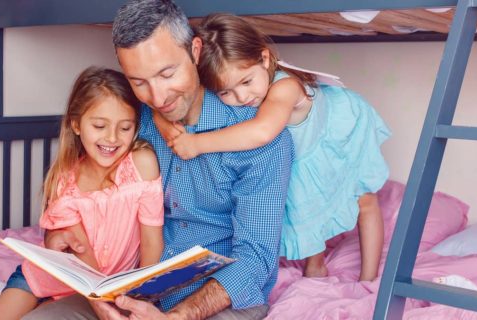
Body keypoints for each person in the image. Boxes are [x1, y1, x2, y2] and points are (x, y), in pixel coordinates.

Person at [23, 1, 293, 319]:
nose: (158, 97)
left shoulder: (261, 138)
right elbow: (81, 199)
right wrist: (61, 239)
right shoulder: (130, 123)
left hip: (216, 297)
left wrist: (179, 316)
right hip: (127, 288)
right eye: (139, 82)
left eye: (167, 74)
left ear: (195, 51)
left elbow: (255, 260)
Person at [157, 13, 391, 281]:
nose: (242, 97)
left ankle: (369, 279)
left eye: (246, 82)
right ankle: (316, 264)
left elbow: (263, 131)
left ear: (265, 59)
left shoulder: (286, 87)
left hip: (338, 132)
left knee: (365, 199)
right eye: (225, 92)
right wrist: (164, 124)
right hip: (303, 153)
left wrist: (198, 144)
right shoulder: (244, 88)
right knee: (308, 204)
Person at [0, 66, 165, 320]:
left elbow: (151, 242)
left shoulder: (141, 165)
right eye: (100, 125)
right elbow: (82, 255)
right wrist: (99, 305)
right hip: (59, 275)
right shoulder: (66, 181)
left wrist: (144, 296)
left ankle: (46, 307)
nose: (112, 138)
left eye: (125, 128)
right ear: (76, 124)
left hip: (101, 286)